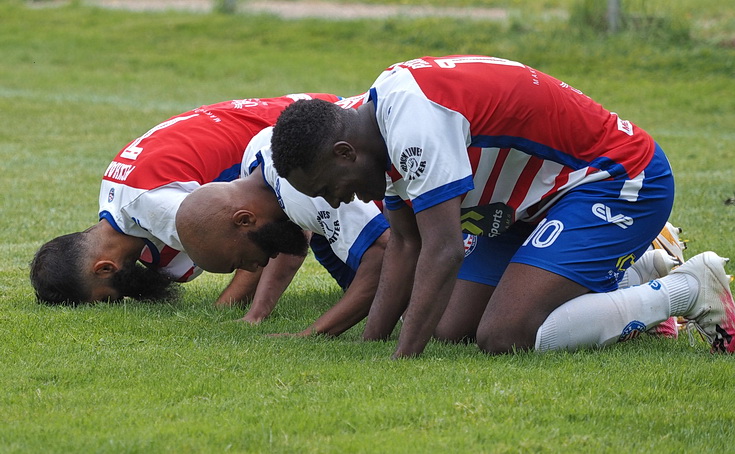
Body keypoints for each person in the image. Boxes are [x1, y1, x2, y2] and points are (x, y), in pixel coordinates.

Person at [270, 55, 735, 358]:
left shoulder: (415, 122)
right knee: (451, 327)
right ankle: (635, 270)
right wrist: (373, 343)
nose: (337, 200)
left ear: (345, 153)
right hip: (533, 204)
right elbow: (405, 244)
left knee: (504, 335)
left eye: (330, 187)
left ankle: (690, 289)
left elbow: (443, 249)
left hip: (618, 180)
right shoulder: (374, 127)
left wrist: (401, 361)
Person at [29, 94, 385, 327]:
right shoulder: (116, 197)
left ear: (104, 267)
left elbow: (256, 232)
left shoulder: (158, 209)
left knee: (391, 245)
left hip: (311, 142)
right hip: (297, 118)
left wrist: (230, 308)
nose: (121, 301)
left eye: (108, 299)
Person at [176, 125, 389, 336]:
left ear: (244, 219)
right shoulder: (255, 159)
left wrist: (311, 334)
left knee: (394, 297)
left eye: (240, 261)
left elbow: (381, 255)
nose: (250, 269)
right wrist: (257, 312)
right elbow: (289, 228)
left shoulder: (309, 189)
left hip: (404, 194)